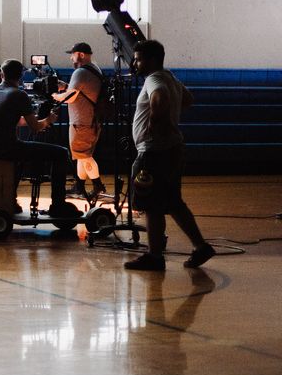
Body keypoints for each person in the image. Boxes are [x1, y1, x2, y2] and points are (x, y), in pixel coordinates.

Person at [124, 40, 215, 272]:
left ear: (152, 60)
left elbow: (160, 99)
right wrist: (171, 119)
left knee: (151, 205)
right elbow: (188, 99)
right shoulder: (170, 77)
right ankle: (201, 246)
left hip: (153, 151)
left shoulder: (154, 79)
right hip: (173, 149)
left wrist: (155, 125)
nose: (135, 63)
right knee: (174, 202)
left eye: (138, 58)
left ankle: (154, 256)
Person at [0, 60, 72, 215]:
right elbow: (35, 127)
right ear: (21, 76)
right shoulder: (18, 94)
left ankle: (10, 199)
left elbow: (9, 120)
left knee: (22, 153)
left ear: (1, 74)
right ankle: (58, 204)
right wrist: (48, 120)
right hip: (6, 147)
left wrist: (37, 120)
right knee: (61, 153)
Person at [52, 42, 107, 199]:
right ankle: (79, 187)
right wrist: (67, 86)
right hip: (91, 120)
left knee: (84, 156)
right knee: (81, 155)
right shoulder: (94, 68)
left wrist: (55, 96)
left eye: (73, 54)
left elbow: (70, 97)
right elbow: (82, 91)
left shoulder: (80, 72)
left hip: (82, 122)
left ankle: (98, 187)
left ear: (81, 55)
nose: (71, 58)